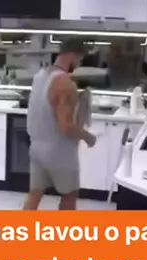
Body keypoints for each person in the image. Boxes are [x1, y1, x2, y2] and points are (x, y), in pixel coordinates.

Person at [23, 38, 98, 211]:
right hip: (59, 152)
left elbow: (49, 106)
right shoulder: (65, 84)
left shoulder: (40, 76)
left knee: (34, 195)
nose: (79, 63)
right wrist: (88, 137)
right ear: (72, 55)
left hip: (36, 149)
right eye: (80, 58)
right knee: (69, 196)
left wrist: (77, 100)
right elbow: (66, 127)